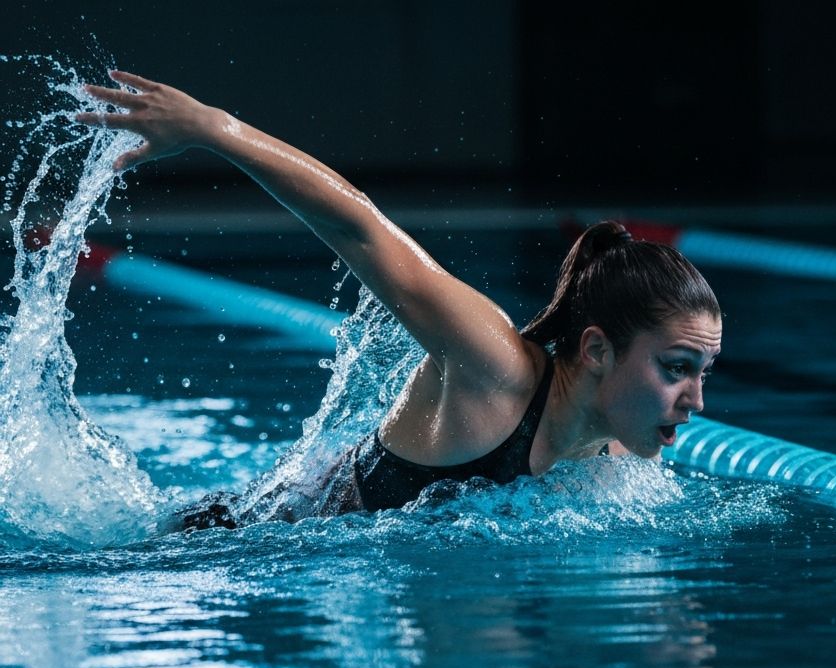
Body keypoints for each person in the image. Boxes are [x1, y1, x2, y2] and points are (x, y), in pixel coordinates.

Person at [76, 71, 722, 528]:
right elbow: (359, 228)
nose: (695, 403)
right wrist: (214, 129)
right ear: (599, 349)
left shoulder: (612, 456)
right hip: (221, 540)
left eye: (700, 374)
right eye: (675, 369)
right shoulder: (493, 366)